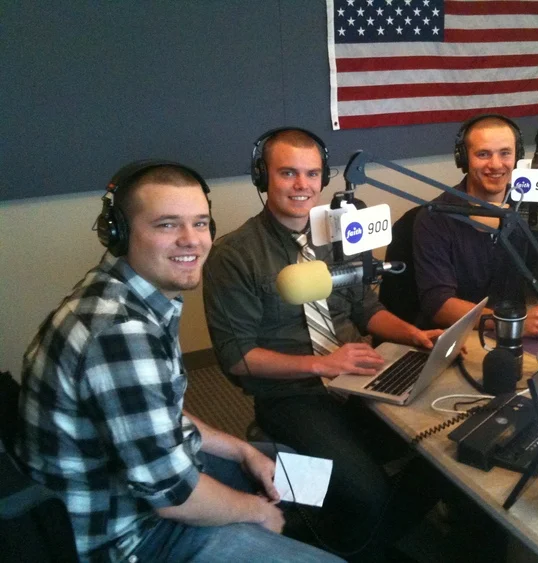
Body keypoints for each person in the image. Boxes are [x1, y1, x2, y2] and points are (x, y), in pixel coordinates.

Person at [15, 161, 340, 563]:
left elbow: (162, 413)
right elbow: (174, 497)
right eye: (167, 224)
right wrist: (256, 513)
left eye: (200, 223)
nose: (191, 240)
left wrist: (242, 451)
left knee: (297, 474)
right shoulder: (120, 334)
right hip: (132, 537)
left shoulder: (126, 293)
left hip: (157, 482)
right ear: (118, 233)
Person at [202, 128, 444, 561]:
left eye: (312, 173)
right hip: (294, 396)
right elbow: (237, 358)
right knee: (368, 493)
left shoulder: (337, 235)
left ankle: (361, 535)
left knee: (440, 452)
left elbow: (366, 309)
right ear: (262, 176)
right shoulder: (234, 255)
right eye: (288, 173)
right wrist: (323, 364)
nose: (302, 185)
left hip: (359, 375)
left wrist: (413, 334)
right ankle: (352, 543)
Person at [412, 114, 538, 337]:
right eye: (483, 154)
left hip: (517, 333)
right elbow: (438, 304)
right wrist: (511, 323)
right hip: (460, 338)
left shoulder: (531, 209)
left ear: (517, 156)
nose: (495, 165)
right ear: (463, 159)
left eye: (505, 153)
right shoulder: (435, 218)